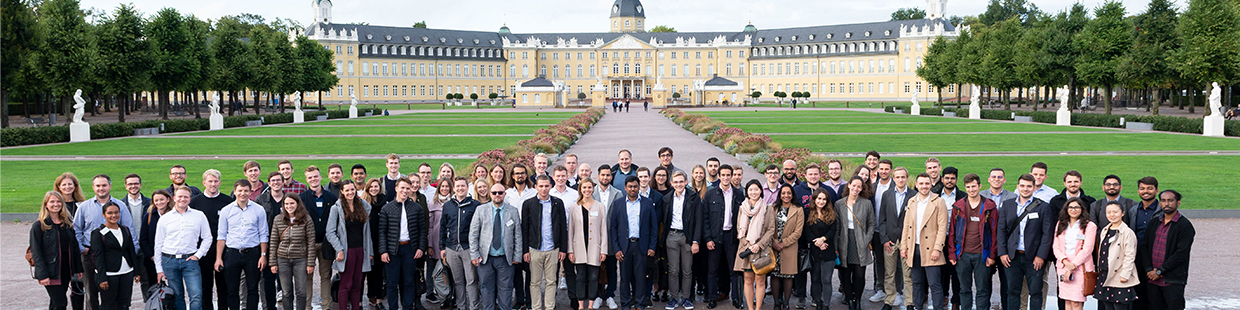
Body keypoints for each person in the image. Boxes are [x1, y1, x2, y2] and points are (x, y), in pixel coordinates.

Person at [74, 174, 138, 310]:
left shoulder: (120, 206)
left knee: (113, 294)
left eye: (104, 185)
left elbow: (129, 230)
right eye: (98, 186)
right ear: (93, 187)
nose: (101, 188)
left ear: (110, 186)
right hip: (89, 254)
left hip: (112, 256)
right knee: (91, 293)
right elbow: (76, 229)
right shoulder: (84, 207)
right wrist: (82, 249)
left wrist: (133, 255)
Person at [998, 174, 1055, 310]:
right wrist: (1002, 253)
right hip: (1012, 256)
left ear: (1034, 188)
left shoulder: (1043, 207)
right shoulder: (1007, 205)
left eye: (1029, 186)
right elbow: (1001, 231)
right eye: (1022, 186)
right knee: (1012, 292)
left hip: (1034, 258)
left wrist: (1041, 256)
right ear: (1018, 187)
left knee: (1035, 292)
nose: (1025, 189)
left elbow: (1047, 234)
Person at [214, 180, 269, 310]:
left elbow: (263, 234)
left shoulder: (258, 210)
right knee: (232, 289)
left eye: (245, 190)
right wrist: (218, 258)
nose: (242, 193)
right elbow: (221, 236)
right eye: (240, 190)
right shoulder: (226, 211)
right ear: (235, 192)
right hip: (232, 253)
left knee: (252, 288)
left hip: (252, 253)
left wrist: (263, 255)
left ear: (250, 192)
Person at [947, 174, 999, 310]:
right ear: (965, 188)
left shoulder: (989, 207)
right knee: (964, 289)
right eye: (968, 187)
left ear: (980, 186)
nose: (971, 190)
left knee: (982, 290)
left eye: (974, 186)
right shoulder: (958, 207)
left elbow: (995, 233)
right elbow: (952, 232)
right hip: (962, 254)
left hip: (982, 254)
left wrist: (992, 255)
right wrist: (952, 254)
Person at [1136, 190, 1194, 310]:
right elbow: (1145, 247)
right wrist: (1148, 270)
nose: (1166, 204)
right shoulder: (1154, 222)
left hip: (1172, 280)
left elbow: (1181, 254)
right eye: (1163, 200)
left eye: (1170, 200)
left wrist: (1159, 271)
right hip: (1152, 280)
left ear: (1178, 203)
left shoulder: (1184, 225)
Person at [470, 184, 524, 310]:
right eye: (494, 193)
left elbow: (518, 236)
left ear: (505, 194)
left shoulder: (513, 211)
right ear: (490, 194)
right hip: (485, 258)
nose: (497, 195)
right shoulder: (481, 210)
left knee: (506, 289)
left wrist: (517, 256)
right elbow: (473, 234)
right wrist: (474, 254)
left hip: (505, 259)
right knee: (486, 288)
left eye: (500, 192)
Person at [379, 177, 428, 310]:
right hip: (392, 250)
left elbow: (422, 230)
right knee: (392, 283)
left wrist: (420, 248)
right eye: (402, 188)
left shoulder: (416, 208)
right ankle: (393, 307)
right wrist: (383, 251)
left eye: (407, 188)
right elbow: (382, 232)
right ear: (396, 188)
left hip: (410, 249)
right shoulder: (387, 208)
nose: (405, 191)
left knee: (408, 282)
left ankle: (408, 307)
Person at [609, 176, 658, 310]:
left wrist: (652, 247)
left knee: (640, 277)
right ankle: (625, 304)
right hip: (624, 247)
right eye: (630, 186)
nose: (633, 189)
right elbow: (613, 227)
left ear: (639, 187)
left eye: (635, 186)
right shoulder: (618, 204)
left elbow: (654, 227)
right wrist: (616, 248)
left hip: (641, 246)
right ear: (625, 188)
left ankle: (640, 304)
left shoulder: (648, 203)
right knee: (624, 278)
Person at [901, 173, 948, 310]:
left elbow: (942, 227)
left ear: (931, 184)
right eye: (921, 184)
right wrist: (904, 246)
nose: (924, 186)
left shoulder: (939, 202)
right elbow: (906, 226)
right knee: (917, 282)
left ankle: (938, 308)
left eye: (927, 183)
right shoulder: (912, 201)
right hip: (913, 248)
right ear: (916, 185)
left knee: (934, 284)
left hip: (931, 249)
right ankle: (918, 307)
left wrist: (937, 248)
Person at [326, 180, 375, 310]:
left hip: (361, 250)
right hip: (347, 252)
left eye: (352, 189)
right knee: (346, 284)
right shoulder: (336, 208)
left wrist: (369, 252)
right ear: (342, 191)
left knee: (358, 284)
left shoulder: (363, 206)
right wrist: (339, 250)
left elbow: (367, 232)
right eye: (347, 190)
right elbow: (330, 232)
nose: (350, 192)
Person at [522, 176, 568, 310]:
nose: (543, 189)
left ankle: (549, 307)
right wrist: (525, 250)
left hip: (552, 249)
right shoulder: (528, 204)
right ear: (535, 187)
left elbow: (562, 227)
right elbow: (524, 228)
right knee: (534, 282)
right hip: (534, 249)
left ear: (550, 186)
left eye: (546, 186)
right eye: (541, 186)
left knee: (551, 282)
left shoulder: (557, 203)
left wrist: (562, 249)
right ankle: (536, 307)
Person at [32, 191, 83, 310]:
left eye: (58, 201)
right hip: (51, 271)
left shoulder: (67, 224)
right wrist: (42, 275)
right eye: (52, 202)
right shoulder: (39, 226)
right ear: (46, 204)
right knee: (60, 303)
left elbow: (74, 248)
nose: (56, 204)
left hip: (65, 270)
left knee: (55, 303)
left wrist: (78, 268)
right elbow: (36, 252)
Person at [188, 170, 231, 310]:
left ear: (220, 182)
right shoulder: (195, 202)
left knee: (223, 286)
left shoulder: (228, 202)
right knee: (205, 286)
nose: (213, 184)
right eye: (210, 181)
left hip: (223, 250)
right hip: (203, 250)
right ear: (204, 183)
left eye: (215, 181)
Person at [660, 171, 701, 310]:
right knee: (673, 270)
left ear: (686, 182)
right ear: (671, 183)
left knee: (687, 270)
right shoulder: (667, 198)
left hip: (687, 237)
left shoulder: (693, 198)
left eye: (681, 181)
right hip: (672, 236)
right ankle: (673, 298)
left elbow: (698, 221)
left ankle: (685, 298)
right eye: (676, 182)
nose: (678, 184)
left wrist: (695, 241)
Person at [703, 165, 743, 309]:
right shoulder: (710, 194)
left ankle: (736, 299)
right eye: (723, 175)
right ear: (719, 176)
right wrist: (708, 239)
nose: (726, 178)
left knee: (734, 270)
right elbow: (705, 218)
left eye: (728, 175)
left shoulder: (739, 194)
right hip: (715, 237)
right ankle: (712, 298)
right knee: (712, 270)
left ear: (732, 176)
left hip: (732, 236)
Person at [300, 166, 340, 310]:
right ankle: (307, 306)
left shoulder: (331, 197)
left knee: (325, 275)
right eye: (310, 177)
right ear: (306, 179)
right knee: (307, 276)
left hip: (326, 243)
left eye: (315, 176)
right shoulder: (302, 198)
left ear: (320, 177)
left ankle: (326, 306)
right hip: (308, 244)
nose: (313, 179)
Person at [91, 202, 143, 310]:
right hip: (109, 274)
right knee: (108, 305)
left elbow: (131, 251)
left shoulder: (125, 229)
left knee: (124, 304)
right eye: (110, 213)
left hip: (126, 272)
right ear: (103, 214)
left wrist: (137, 271)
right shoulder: (98, 233)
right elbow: (98, 257)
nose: (113, 215)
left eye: (116, 212)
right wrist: (102, 278)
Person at [270, 194, 317, 310]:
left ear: (297, 204)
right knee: (286, 292)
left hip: (300, 259)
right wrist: (273, 262)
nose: (289, 206)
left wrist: (310, 263)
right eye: (286, 204)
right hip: (282, 259)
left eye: (292, 203)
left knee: (301, 291)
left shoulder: (306, 219)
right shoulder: (278, 219)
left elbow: (311, 242)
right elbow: (273, 241)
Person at [442, 177, 482, 310]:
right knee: (457, 281)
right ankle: (461, 306)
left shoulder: (475, 205)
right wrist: (442, 247)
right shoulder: (448, 205)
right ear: (454, 188)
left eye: (462, 186)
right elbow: (443, 227)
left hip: (468, 248)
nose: (460, 188)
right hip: (452, 248)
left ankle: (474, 306)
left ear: (467, 187)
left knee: (471, 280)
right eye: (457, 186)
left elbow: (479, 228)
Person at [568, 178, 609, 310]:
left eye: (589, 187)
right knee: (580, 277)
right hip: (579, 246)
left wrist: (603, 250)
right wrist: (570, 250)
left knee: (593, 277)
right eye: (584, 187)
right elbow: (571, 230)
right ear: (580, 189)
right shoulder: (574, 207)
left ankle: (590, 305)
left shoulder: (599, 206)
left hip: (594, 247)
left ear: (593, 189)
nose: (587, 190)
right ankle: (581, 305)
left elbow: (603, 230)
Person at [837, 176, 876, 310]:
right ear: (848, 185)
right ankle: (850, 301)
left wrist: (867, 238)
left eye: (859, 186)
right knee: (845, 274)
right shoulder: (839, 204)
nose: (856, 189)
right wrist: (836, 245)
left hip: (861, 241)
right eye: (854, 185)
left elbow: (871, 223)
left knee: (860, 274)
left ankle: (858, 299)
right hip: (844, 242)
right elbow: (837, 227)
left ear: (862, 188)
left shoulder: (866, 204)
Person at [735, 180, 774, 310]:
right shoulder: (742, 208)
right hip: (746, 249)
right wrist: (747, 245)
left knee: (760, 280)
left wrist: (759, 244)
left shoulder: (767, 208)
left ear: (761, 191)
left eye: (756, 189)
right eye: (750, 190)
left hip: (761, 250)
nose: (753, 192)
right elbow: (739, 229)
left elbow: (771, 229)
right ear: (747, 192)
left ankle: (758, 308)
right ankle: (750, 308)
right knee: (747, 280)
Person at [878, 168, 914, 310]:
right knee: (889, 272)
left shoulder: (913, 195)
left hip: (907, 241)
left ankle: (909, 302)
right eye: (897, 177)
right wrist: (884, 239)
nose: (900, 179)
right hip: (890, 240)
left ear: (907, 178)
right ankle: (889, 300)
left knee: (908, 274)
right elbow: (882, 219)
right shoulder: (887, 195)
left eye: (903, 177)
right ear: (893, 178)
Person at [1052, 198, 1097, 310]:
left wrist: (1072, 267)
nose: (1073, 210)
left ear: (1082, 209)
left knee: (1077, 302)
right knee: (1067, 300)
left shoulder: (1089, 226)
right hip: (1063, 265)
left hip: (1080, 266)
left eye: (1077, 207)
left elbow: (1087, 249)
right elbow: (1056, 246)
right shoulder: (1060, 224)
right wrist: (1065, 261)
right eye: (1071, 207)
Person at [1095, 202, 1140, 310]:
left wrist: (1125, 274)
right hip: (1105, 274)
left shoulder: (1127, 232)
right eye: (1109, 212)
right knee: (1107, 306)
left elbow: (1130, 255)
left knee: (1119, 307)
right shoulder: (1105, 231)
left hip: (1119, 275)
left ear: (1122, 213)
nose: (1112, 215)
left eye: (1115, 212)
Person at [254, 172, 287, 310]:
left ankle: (287, 305)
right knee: (267, 278)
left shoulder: (289, 198)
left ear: (283, 182)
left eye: (278, 180)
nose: (276, 183)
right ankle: (269, 306)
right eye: (273, 180)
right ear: (269, 182)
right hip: (267, 244)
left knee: (285, 279)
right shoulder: (261, 200)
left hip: (286, 244)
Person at [594, 164, 624, 309]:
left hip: (612, 236)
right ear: (598, 176)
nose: (605, 177)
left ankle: (610, 294)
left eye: (608, 175)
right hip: (595, 237)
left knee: (612, 267)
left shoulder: (618, 193)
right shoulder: (591, 192)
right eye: (603, 175)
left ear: (611, 177)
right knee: (596, 267)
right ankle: (598, 295)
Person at [770, 185, 805, 310]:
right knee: (775, 275)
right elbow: (768, 227)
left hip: (789, 247)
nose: (786, 195)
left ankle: (786, 303)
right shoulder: (773, 208)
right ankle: (776, 303)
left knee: (788, 275)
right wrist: (774, 242)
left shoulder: (798, 209)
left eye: (789, 193)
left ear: (792, 194)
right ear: (780, 194)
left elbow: (798, 232)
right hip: (774, 246)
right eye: (783, 193)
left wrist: (783, 243)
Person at [803, 189, 839, 310]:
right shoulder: (807, 212)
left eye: (824, 199)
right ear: (814, 199)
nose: (821, 201)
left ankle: (826, 304)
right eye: (819, 198)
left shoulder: (831, 213)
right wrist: (816, 242)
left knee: (827, 279)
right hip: (814, 251)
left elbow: (833, 230)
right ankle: (817, 302)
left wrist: (823, 239)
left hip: (828, 250)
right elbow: (806, 231)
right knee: (815, 278)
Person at [137, 189, 171, 299]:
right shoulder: (149, 216)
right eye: (156, 200)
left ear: (168, 199)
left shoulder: (174, 215)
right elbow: (143, 239)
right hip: (152, 260)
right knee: (155, 287)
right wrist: (152, 256)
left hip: (171, 258)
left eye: (162, 199)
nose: (159, 202)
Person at [361, 177, 389, 310]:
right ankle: (361, 300)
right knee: (364, 273)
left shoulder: (385, 202)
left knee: (378, 272)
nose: (373, 189)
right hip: (366, 242)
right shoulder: (363, 203)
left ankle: (378, 299)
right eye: (371, 187)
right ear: (367, 188)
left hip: (380, 242)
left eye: (376, 186)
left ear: (380, 188)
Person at [869, 160, 894, 304]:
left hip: (892, 231)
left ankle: (896, 290)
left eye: (887, 169)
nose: (884, 171)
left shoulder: (895, 186)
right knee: (879, 261)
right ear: (878, 170)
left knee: (894, 262)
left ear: (891, 170)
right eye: (881, 169)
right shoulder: (873, 187)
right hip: (876, 230)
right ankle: (880, 289)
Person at [426, 178, 451, 305]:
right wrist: (429, 244)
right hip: (435, 241)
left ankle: (447, 294)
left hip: (449, 242)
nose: (445, 189)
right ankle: (430, 292)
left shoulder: (453, 202)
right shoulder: (432, 203)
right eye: (442, 186)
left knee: (447, 270)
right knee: (431, 269)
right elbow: (430, 226)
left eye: (447, 186)